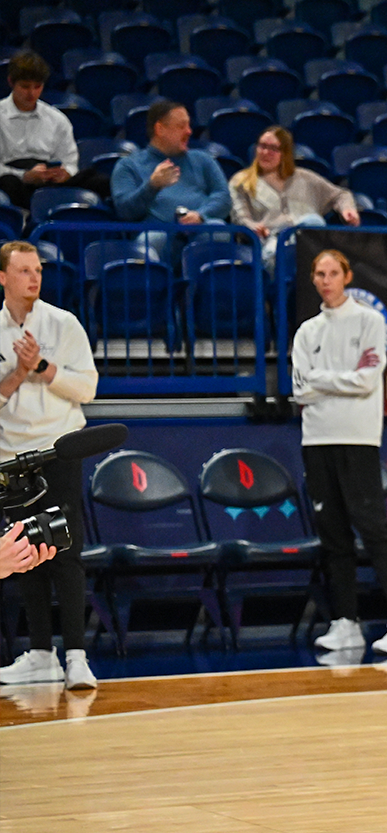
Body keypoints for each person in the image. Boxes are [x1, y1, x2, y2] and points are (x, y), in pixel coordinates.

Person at [291, 250, 387, 657]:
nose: (326, 280)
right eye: (319, 274)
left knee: (373, 529)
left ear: (346, 276)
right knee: (333, 535)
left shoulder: (369, 320)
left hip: (358, 437)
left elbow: (366, 381)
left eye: (333, 273)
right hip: (316, 439)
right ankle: (345, 623)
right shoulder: (307, 331)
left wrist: (321, 380)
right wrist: (339, 380)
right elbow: (299, 389)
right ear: (313, 279)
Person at [0, 240, 97, 690]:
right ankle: (41, 654)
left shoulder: (63, 323)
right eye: (23, 271)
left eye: (37, 270)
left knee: (66, 553)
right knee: (23, 556)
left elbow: (87, 389)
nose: (34, 278)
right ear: (3, 277)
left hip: (58, 450)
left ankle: (76, 656)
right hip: (10, 457)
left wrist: (41, 365)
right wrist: (18, 373)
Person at [111, 100, 231, 260]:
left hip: (200, 230)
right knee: (152, 239)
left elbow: (223, 197)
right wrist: (152, 186)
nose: (189, 131)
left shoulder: (203, 159)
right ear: (160, 129)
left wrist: (201, 215)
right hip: (157, 234)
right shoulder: (128, 165)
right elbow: (124, 211)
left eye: (189, 125)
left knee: (217, 229)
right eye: (181, 126)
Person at [229, 127, 359, 271]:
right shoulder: (241, 181)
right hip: (271, 243)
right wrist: (253, 226)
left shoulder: (306, 178)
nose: (265, 152)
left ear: (285, 153)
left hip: (308, 241)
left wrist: (347, 209)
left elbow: (341, 195)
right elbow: (240, 217)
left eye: (273, 149)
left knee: (313, 222)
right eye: (262, 146)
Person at [0, 50, 110, 206]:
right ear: (11, 82)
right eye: (25, 87)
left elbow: (70, 162)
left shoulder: (56, 118)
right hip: (15, 179)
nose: (31, 93)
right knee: (8, 183)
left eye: (37, 87)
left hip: (49, 179)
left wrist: (65, 173)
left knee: (99, 181)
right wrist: (24, 175)